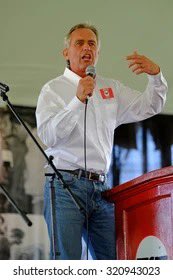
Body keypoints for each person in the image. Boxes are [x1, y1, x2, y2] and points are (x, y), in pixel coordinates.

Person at [36, 23, 168, 260]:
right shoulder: (52, 90)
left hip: (102, 189)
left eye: (92, 43)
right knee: (67, 262)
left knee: (113, 260)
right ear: (66, 53)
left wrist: (156, 76)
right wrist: (77, 100)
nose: (86, 47)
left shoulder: (111, 88)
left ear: (98, 53)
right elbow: (48, 136)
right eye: (79, 43)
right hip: (65, 185)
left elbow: (150, 106)